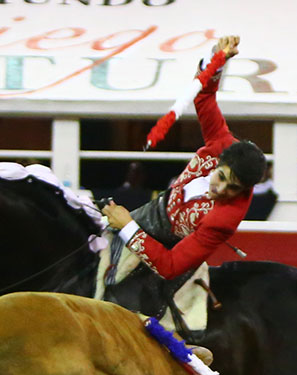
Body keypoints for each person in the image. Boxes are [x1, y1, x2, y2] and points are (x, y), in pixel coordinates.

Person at [101, 35, 266, 282]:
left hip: (167, 248)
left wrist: (127, 227)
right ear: (220, 161)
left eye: (233, 188)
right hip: (152, 212)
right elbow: (204, 97)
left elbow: (170, 266)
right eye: (221, 177)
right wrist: (216, 60)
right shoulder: (221, 143)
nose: (220, 190)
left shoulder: (223, 220)